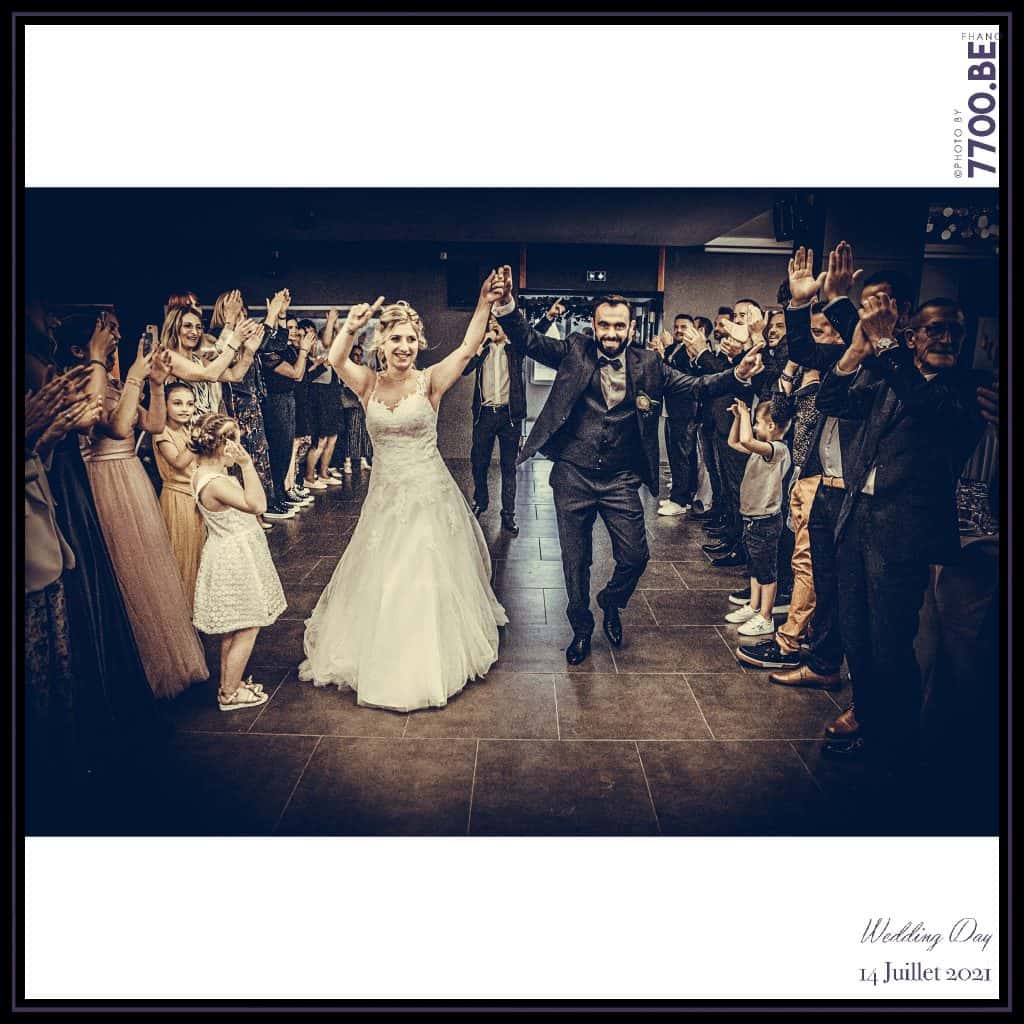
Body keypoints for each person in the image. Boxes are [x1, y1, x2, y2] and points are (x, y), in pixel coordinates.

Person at [491, 266, 764, 664]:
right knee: (575, 560)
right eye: (605, 325)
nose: (611, 333)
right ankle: (582, 628)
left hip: (621, 478)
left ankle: (611, 601)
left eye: (619, 326)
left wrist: (736, 374)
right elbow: (528, 339)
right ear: (594, 325)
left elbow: (696, 386)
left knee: (636, 557)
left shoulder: (649, 364)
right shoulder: (574, 350)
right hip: (573, 475)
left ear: (631, 328)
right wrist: (505, 304)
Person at [299, 275, 509, 711]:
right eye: (396, 338)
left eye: (411, 339)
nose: (405, 346)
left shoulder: (429, 382)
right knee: (385, 575)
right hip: (385, 498)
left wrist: (484, 301)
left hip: (429, 495)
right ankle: (382, 652)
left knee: (423, 576)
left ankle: (426, 659)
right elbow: (335, 359)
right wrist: (350, 327)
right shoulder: (368, 385)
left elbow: (468, 348)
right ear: (382, 343)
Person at [815, 294, 986, 770]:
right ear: (913, 336)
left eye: (955, 330)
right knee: (857, 637)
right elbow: (830, 400)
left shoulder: (968, 391)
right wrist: (853, 344)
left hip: (903, 535)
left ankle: (897, 748)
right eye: (935, 329)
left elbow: (930, 410)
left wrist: (887, 346)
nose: (947, 338)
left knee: (891, 646)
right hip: (857, 521)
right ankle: (871, 729)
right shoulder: (886, 376)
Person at [79, 321, 209, 700]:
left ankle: (164, 660)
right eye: (108, 342)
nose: (116, 345)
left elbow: (151, 423)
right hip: (106, 478)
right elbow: (119, 428)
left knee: (149, 568)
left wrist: (153, 383)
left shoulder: (118, 386)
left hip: (130, 477)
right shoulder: (88, 385)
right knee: (127, 570)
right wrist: (134, 375)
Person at [190, 412, 287, 712]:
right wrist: (246, 465)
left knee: (234, 626)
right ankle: (230, 694)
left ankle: (229, 684)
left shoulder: (203, 472)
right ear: (222, 446)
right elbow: (258, 505)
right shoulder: (216, 482)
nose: (240, 446)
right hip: (234, 558)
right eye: (236, 441)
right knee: (248, 625)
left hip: (230, 551)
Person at [722, 400, 792, 639]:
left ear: (771, 426)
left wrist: (744, 413)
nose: (753, 427)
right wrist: (738, 418)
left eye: (757, 423)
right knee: (755, 566)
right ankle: (753, 606)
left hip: (766, 521)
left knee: (767, 572)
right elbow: (734, 442)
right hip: (752, 519)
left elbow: (746, 441)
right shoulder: (761, 446)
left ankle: (765, 617)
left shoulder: (777, 450)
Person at [461, 313, 526, 534]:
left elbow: (534, 337)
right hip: (485, 415)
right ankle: (481, 501)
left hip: (509, 416)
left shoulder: (514, 349)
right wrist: (481, 345)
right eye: (491, 323)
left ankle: (508, 515)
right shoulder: (484, 350)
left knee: (509, 468)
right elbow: (464, 369)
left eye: (497, 322)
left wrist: (548, 316)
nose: (494, 325)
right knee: (479, 463)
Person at [153, 382, 204, 607]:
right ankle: (181, 607)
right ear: (164, 405)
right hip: (176, 496)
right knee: (181, 552)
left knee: (197, 552)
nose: (185, 409)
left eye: (190, 404)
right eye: (177, 403)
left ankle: (196, 603)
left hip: (193, 495)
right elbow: (178, 462)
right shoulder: (162, 432)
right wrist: (199, 438)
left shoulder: (186, 429)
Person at [656, 314, 703, 517]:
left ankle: (681, 499)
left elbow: (681, 377)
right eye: (676, 327)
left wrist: (663, 356)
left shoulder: (689, 350)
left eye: (683, 327)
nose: (678, 330)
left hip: (685, 410)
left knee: (682, 455)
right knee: (677, 455)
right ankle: (680, 495)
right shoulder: (674, 348)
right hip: (672, 409)